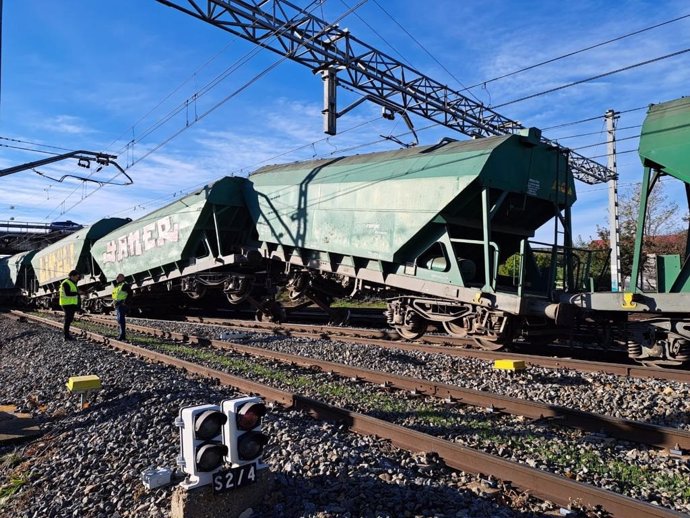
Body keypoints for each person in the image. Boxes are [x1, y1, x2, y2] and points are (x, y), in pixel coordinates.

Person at [59, 270, 81, 340]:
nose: (77, 278)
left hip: (71, 303)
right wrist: (77, 293)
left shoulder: (72, 282)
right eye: (76, 277)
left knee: (69, 319)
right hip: (66, 304)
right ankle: (66, 336)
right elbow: (68, 293)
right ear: (72, 276)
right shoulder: (66, 283)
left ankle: (67, 335)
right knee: (68, 320)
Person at [112, 273, 131, 340]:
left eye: (118, 277)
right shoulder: (118, 286)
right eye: (116, 277)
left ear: (122, 278)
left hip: (121, 304)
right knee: (119, 320)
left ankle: (122, 335)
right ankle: (121, 335)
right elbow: (116, 296)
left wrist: (125, 302)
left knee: (121, 320)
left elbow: (130, 294)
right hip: (117, 304)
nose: (116, 278)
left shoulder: (124, 285)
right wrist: (113, 302)